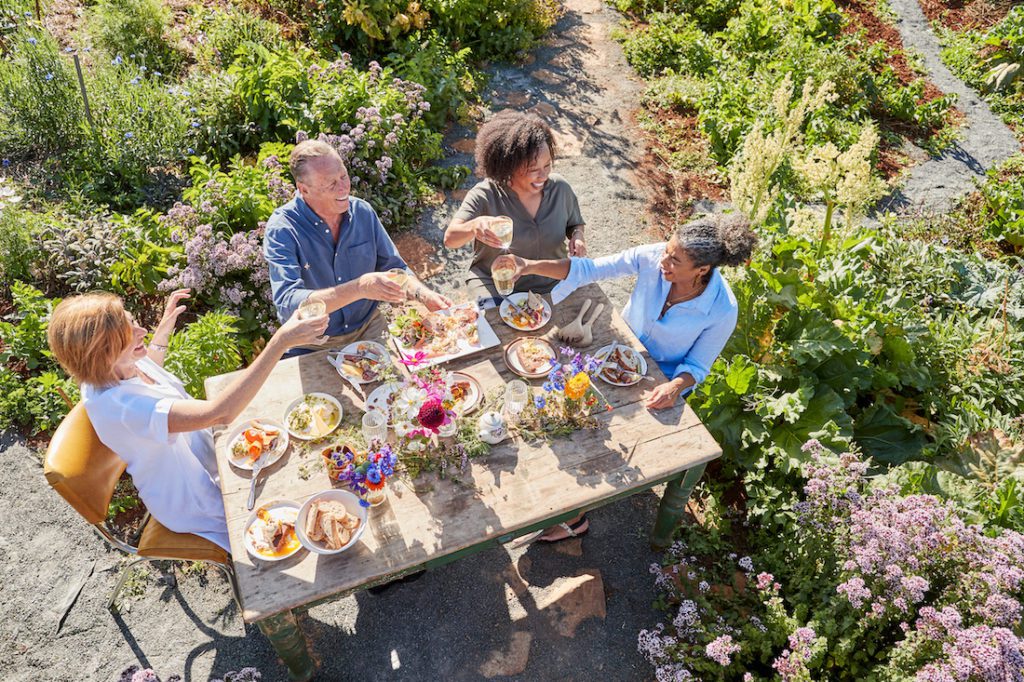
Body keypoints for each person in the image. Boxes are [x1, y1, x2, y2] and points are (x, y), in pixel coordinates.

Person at [499, 213, 758, 541]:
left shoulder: (723, 309)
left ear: (702, 270)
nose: (662, 260)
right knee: (565, 411)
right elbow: (588, 269)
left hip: (657, 382)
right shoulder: (654, 258)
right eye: (666, 250)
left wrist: (675, 386)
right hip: (614, 354)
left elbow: (696, 367)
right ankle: (552, 499)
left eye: (675, 260)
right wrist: (529, 265)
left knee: (598, 442)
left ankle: (574, 517)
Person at [47, 289, 329, 551]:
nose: (141, 331)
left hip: (211, 454)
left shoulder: (113, 368)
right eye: (129, 333)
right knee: (292, 514)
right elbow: (219, 413)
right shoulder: (120, 408)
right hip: (193, 497)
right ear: (104, 354)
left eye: (133, 321)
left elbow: (149, 375)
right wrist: (280, 342)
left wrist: (162, 331)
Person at [264, 140, 450, 351]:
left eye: (343, 176)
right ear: (304, 190)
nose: (343, 187)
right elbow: (289, 303)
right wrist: (359, 288)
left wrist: (424, 295)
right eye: (331, 184)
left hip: (369, 327)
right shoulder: (282, 229)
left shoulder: (362, 212)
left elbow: (393, 267)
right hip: (313, 343)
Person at [443, 110, 587, 302]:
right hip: (496, 287)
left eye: (547, 166)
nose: (543, 176)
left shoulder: (560, 188)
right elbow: (450, 239)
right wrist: (474, 225)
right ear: (508, 167)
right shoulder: (485, 194)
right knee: (494, 327)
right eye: (533, 170)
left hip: (553, 282)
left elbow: (574, 224)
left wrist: (578, 236)